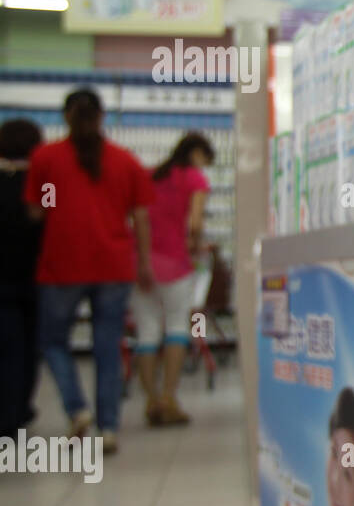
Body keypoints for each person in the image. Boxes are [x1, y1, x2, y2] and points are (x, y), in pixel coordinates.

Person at [24, 90, 154, 455]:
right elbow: (140, 216)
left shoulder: (46, 159)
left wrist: (57, 205)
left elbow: (39, 208)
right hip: (113, 264)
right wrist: (143, 262)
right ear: (102, 117)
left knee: (52, 341)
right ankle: (108, 428)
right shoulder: (125, 161)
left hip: (62, 264)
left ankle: (77, 409)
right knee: (108, 348)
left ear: (66, 117)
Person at [132, 132, 214, 426]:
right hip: (175, 263)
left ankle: (151, 401)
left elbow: (135, 215)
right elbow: (194, 223)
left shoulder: (149, 174)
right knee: (178, 327)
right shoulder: (195, 179)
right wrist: (195, 245)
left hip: (140, 262)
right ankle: (169, 398)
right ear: (197, 153)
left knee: (147, 332)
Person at [0, 119, 44, 439]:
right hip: (36, 275)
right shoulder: (42, 185)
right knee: (29, 348)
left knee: (7, 347)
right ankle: (19, 409)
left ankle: (7, 413)